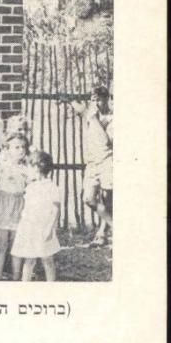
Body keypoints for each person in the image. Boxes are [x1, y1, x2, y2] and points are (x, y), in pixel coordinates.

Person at [68, 87, 112, 247]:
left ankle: (102, 233)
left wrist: (93, 119)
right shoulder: (91, 114)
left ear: (107, 99)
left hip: (108, 161)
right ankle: (116, 227)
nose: (96, 103)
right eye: (93, 100)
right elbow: (78, 107)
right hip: (92, 163)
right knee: (88, 198)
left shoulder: (112, 118)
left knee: (108, 199)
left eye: (99, 99)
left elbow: (105, 142)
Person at [11, 151, 61, 281]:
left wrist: (50, 228)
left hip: (43, 228)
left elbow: (55, 209)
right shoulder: (31, 186)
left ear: (37, 167)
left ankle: (52, 286)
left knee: (47, 259)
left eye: (28, 167)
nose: (27, 170)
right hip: (29, 228)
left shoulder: (51, 187)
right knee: (29, 259)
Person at [0, 133, 30, 280]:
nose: (21, 150)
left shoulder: (27, 169)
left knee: (16, 244)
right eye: (16, 147)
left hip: (19, 206)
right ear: (7, 149)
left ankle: (16, 276)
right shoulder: (1, 168)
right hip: (3, 205)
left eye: (23, 147)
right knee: (2, 244)